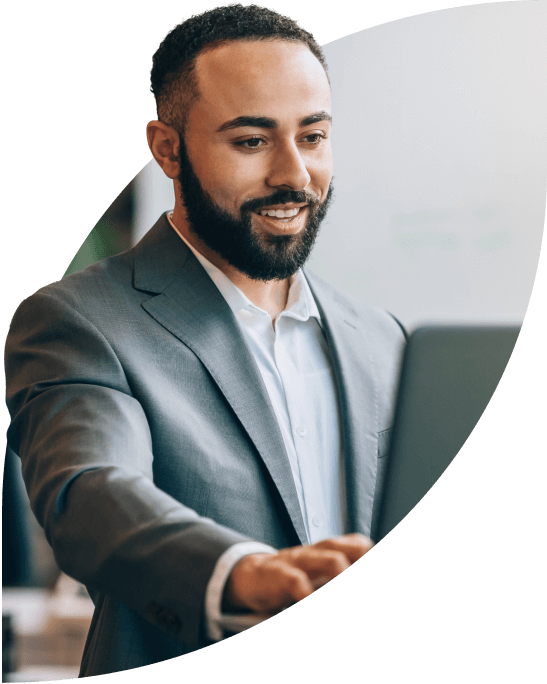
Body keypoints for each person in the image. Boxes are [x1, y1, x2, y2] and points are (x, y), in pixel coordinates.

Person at [4, 4, 407, 676]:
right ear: (166, 148)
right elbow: (91, 491)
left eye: (311, 137)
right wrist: (243, 574)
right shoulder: (78, 320)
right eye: (251, 141)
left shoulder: (384, 340)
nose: (292, 174)